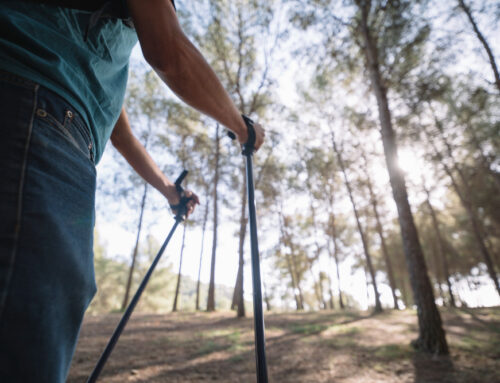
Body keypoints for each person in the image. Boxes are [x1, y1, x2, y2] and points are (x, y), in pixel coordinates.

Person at [0, 0, 265, 381]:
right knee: (30, 325)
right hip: (37, 114)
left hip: (33, 108)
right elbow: (169, 52)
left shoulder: (88, 45)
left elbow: (117, 128)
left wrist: (169, 190)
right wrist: (243, 128)